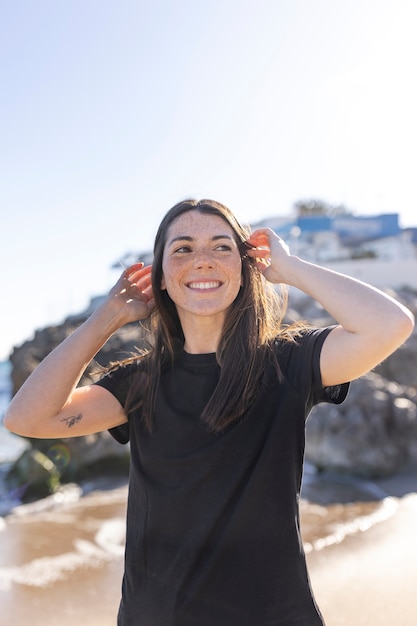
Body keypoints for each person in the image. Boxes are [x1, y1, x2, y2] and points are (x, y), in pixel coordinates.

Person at [4, 198, 414, 625]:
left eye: (221, 247)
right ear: (160, 275)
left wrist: (289, 269)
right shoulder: (138, 382)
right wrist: (106, 317)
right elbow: (26, 418)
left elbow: (390, 325)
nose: (202, 261)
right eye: (182, 248)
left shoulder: (287, 362)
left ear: (245, 265)